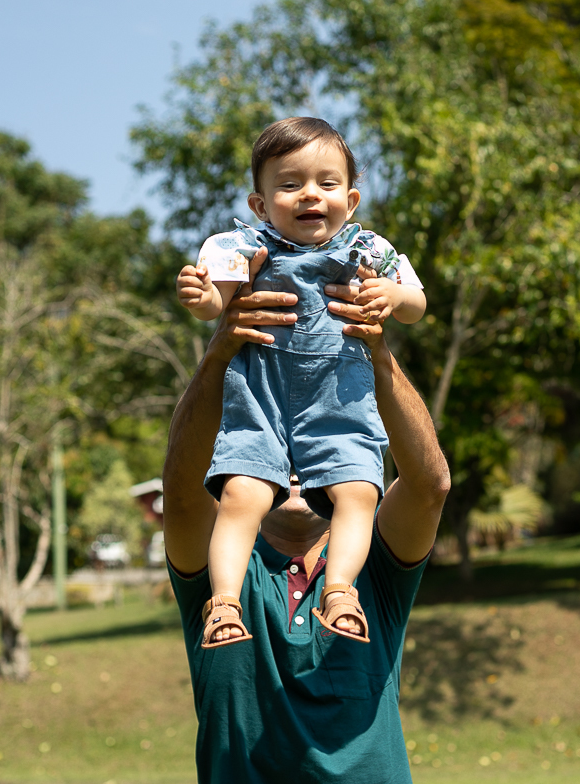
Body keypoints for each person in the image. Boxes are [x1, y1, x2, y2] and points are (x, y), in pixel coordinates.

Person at [161, 248, 450, 783]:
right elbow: (180, 492)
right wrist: (221, 352)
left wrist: (376, 354)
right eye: (281, 442)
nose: (296, 454)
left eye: (314, 444)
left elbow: (430, 485)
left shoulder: (375, 572)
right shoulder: (223, 567)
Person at [177, 117, 427, 648]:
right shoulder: (243, 246)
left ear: (352, 199)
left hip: (340, 397)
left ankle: (340, 591)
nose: (310, 194)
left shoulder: (368, 250)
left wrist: (391, 297)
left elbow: (416, 304)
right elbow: (214, 303)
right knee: (242, 494)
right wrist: (202, 296)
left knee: (359, 491)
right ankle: (223, 602)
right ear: (261, 205)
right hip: (260, 396)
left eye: (327, 183)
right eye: (290, 184)